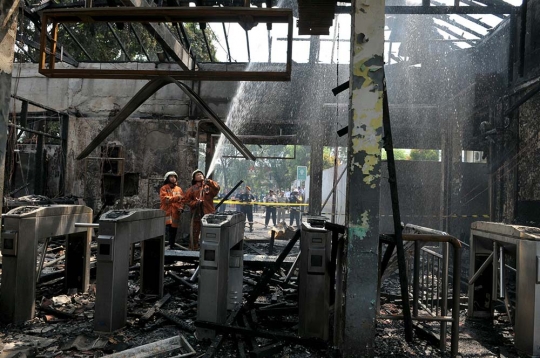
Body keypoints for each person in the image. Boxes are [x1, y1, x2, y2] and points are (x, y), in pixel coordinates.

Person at [184, 169, 220, 250]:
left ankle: (209, 248)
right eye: (197, 175)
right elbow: (186, 200)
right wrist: (195, 203)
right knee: (195, 231)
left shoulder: (208, 187)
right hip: (197, 213)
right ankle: (194, 248)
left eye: (201, 174)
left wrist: (210, 182)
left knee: (209, 231)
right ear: (194, 178)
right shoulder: (192, 189)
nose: (200, 175)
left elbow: (217, 188)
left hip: (208, 213)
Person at [159, 171, 184, 249]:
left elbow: (182, 201)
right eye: (171, 177)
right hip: (167, 212)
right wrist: (176, 198)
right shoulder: (164, 188)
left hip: (175, 213)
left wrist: (181, 208)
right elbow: (165, 199)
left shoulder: (179, 189)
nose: (173, 178)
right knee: (165, 230)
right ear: (167, 178)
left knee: (173, 231)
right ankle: (162, 247)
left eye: (174, 177)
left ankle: (171, 246)